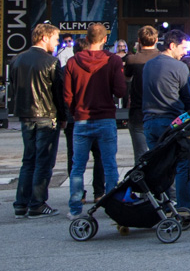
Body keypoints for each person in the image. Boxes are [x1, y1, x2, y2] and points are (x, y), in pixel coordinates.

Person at [64, 23, 126, 218]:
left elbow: (67, 95)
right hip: (106, 117)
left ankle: (75, 208)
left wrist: (76, 112)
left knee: (78, 166)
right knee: (109, 164)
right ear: (105, 39)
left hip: (81, 118)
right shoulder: (113, 60)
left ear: (87, 38)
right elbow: (121, 91)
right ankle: (113, 206)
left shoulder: (73, 62)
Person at [11, 23, 65, 218]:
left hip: (26, 115)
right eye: (55, 38)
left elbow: (15, 89)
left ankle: (21, 203)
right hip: (46, 115)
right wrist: (63, 117)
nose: (57, 42)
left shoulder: (17, 61)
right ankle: (37, 203)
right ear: (45, 38)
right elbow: (58, 93)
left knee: (28, 160)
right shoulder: (51, 62)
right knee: (43, 161)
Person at [142, 29, 190, 210]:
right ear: (172, 45)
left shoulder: (149, 65)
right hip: (172, 122)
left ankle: (165, 206)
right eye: (183, 48)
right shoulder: (180, 67)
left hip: (149, 121)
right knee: (182, 165)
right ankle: (183, 208)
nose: (185, 53)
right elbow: (188, 98)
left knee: (159, 166)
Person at [122, 26, 159, 163]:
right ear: (156, 40)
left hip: (138, 110)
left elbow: (126, 78)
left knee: (140, 155)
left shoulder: (133, 59)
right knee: (160, 153)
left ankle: (141, 182)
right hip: (160, 110)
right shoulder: (162, 58)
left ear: (139, 41)